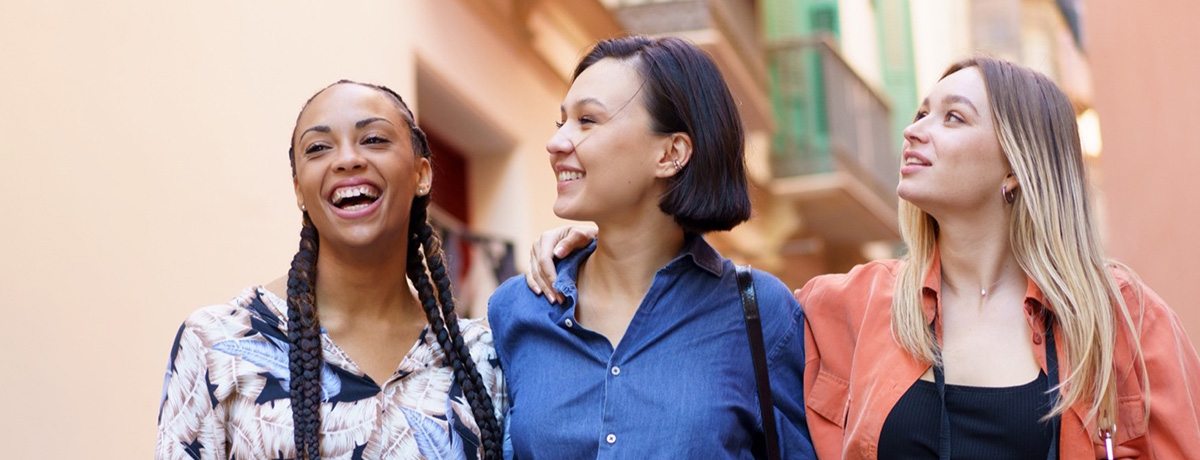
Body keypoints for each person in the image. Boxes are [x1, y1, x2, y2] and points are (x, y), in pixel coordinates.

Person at [532, 56, 1200, 458]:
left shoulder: (1122, 321)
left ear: (1016, 168)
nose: (914, 130)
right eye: (919, 112)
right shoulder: (845, 306)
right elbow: (699, 320)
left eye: (953, 118)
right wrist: (604, 246)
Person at [487, 36, 817, 459]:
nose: (556, 143)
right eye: (561, 122)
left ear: (671, 153)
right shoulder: (517, 309)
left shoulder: (760, 312)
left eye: (587, 120)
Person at [156, 81, 504, 460]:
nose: (347, 159)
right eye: (319, 148)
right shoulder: (219, 343)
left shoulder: (479, 358)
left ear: (422, 174)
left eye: (373, 139)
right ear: (299, 189)